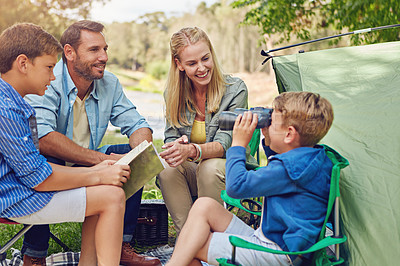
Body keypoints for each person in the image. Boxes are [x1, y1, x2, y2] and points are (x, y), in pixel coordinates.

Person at [24, 20, 160, 266]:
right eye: (94, 50)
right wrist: (103, 161)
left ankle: (120, 245)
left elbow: (138, 124)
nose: (104, 57)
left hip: (90, 160)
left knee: (134, 156)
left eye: (105, 49)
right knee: (45, 158)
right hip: (55, 163)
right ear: (69, 53)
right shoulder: (46, 80)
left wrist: (140, 150)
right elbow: (43, 138)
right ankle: (34, 255)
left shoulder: (110, 83)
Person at [0, 22, 131, 266]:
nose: (52, 75)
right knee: (111, 197)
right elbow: (39, 179)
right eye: (49, 67)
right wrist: (97, 174)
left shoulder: (12, 101)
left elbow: (35, 167)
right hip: (14, 198)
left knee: (105, 193)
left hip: (21, 188)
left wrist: (97, 172)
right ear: (23, 64)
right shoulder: (5, 108)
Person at [166, 91, 335, 266]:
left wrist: (238, 144)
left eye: (272, 122)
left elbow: (236, 186)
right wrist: (271, 135)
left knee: (191, 247)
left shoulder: (289, 169)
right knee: (204, 205)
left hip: (278, 253)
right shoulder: (308, 159)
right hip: (277, 242)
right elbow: (278, 165)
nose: (267, 124)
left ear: (289, 134)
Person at [158, 27, 258, 236]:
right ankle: (190, 240)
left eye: (205, 58)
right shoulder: (173, 93)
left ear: (212, 54)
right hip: (194, 173)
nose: (202, 68)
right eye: (192, 63)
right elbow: (171, 137)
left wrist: (193, 150)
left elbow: (225, 144)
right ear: (179, 65)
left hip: (228, 173)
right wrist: (176, 146)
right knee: (166, 168)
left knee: (208, 167)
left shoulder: (235, 89)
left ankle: (215, 240)